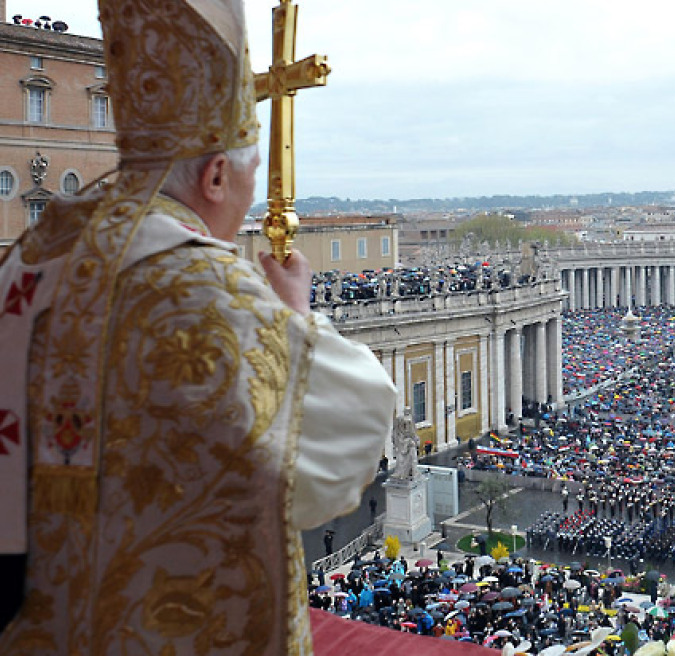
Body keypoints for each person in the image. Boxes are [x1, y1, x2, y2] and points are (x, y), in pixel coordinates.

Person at [0, 1, 396, 652]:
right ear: (216, 175)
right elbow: (341, 449)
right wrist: (292, 317)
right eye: (246, 183)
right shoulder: (200, 284)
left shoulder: (33, 254)